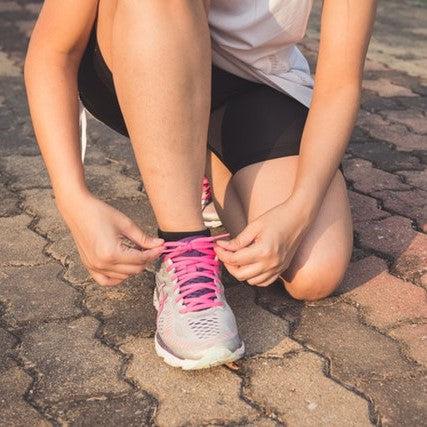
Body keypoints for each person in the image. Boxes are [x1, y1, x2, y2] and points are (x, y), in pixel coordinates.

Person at [24, 0, 377, 369]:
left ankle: (195, 162)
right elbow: (53, 51)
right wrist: (73, 198)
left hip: (253, 83)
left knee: (312, 270)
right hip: (139, 46)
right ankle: (185, 249)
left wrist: (298, 210)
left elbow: (340, 82)